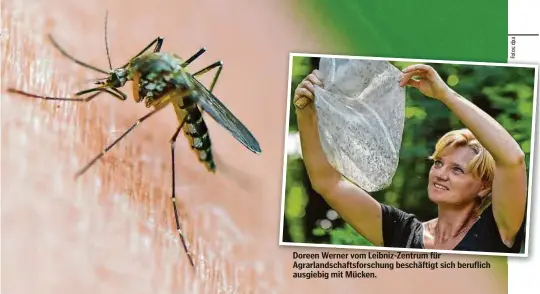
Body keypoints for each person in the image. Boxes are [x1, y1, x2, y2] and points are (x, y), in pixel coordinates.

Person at [293, 64, 527, 253]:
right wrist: (306, 112)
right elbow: (329, 183)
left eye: (457, 170)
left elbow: (513, 159)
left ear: (484, 187)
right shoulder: (401, 232)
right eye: (438, 163)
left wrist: (444, 94)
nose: (440, 174)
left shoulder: (498, 230)